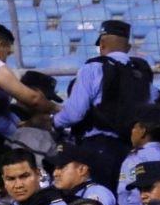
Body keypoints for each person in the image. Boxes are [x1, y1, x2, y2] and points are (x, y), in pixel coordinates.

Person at [53, 19, 154, 191]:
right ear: (128, 48)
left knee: (95, 200)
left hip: (96, 148)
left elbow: (75, 113)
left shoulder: (93, 67)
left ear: (102, 44)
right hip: (130, 150)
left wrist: (55, 121)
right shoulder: (141, 74)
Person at [45, 141, 118, 205]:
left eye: (62, 167)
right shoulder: (56, 194)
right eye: (54, 168)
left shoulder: (98, 192)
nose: (55, 173)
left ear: (82, 169)